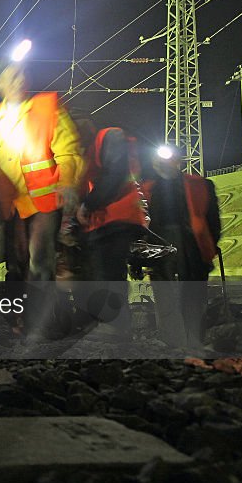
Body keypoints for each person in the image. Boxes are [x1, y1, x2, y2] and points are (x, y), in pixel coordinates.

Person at [0, 60, 82, 338]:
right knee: (15, 265)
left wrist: (68, 183)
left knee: (40, 263)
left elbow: (68, 150)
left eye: (23, 74)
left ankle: (40, 325)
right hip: (10, 204)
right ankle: (23, 322)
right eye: (12, 76)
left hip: (44, 201)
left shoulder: (46, 107)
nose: (20, 80)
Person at [143, 145, 221, 348]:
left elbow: (213, 221)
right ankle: (173, 343)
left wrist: (208, 248)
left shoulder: (200, 185)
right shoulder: (148, 190)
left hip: (192, 250)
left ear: (177, 162)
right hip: (160, 251)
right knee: (165, 298)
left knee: (193, 297)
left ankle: (193, 341)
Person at [75, 127, 148, 337]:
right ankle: (108, 323)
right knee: (101, 272)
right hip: (105, 219)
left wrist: (88, 204)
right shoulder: (95, 146)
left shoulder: (110, 136)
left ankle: (115, 324)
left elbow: (115, 174)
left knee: (109, 272)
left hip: (116, 215)